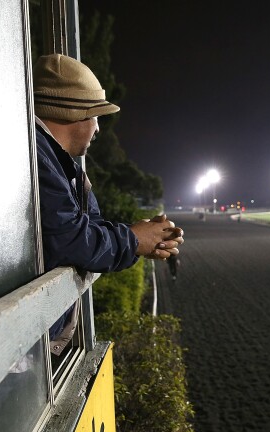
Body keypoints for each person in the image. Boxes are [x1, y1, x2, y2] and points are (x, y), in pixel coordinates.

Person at [33, 53, 184, 348]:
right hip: (24, 352)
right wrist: (133, 239)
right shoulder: (37, 158)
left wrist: (140, 236)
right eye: (96, 117)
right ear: (73, 113)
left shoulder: (52, 159)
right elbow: (69, 241)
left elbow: (82, 227)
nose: (99, 129)